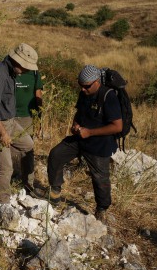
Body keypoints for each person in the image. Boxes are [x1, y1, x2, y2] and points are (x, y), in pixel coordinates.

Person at [47, 64, 122, 221]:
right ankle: (55, 192)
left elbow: (117, 126)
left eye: (86, 86)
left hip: (99, 144)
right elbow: (79, 111)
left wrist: (90, 132)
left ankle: (102, 209)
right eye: (80, 86)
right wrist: (75, 125)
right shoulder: (84, 93)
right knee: (56, 154)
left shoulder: (109, 97)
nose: (82, 89)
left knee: (100, 179)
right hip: (80, 138)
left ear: (96, 82)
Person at [0, 43, 38, 204]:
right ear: (18, 62)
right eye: (26, 67)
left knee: (28, 145)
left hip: (10, 121)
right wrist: (3, 133)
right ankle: (2, 202)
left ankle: (6, 186)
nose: (27, 71)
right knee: (6, 167)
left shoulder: (10, 71)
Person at [11, 69, 43, 194]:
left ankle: (28, 184)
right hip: (9, 115)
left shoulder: (34, 73)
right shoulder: (10, 69)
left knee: (28, 150)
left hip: (27, 117)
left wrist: (38, 118)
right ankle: (4, 177)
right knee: (5, 146)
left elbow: (38, 95)